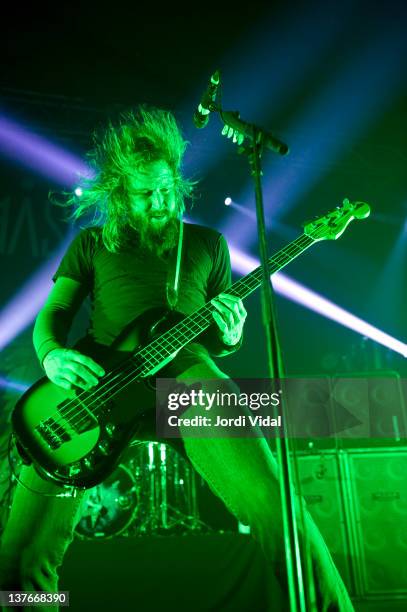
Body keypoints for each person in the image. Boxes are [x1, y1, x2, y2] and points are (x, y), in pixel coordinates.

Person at [0, 107, 354, 611]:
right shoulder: (92, 243)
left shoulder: (208, 245)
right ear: (121, 192)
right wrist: (52, 355)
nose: (160, 202)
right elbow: (54, 312)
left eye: (166, 188)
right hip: (96, 388)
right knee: (19, 561)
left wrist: (232, 335)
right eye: (145, 194)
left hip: (189, 377)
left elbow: (220, 335)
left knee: (279, 512)